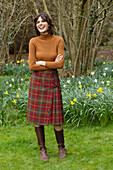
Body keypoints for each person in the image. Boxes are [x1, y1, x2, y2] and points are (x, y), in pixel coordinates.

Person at [26, 13, 66, 161]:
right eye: (38, 22)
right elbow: (31, 66)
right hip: (37, 83)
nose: (40, 24)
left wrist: (42, 63)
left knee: (57, 120)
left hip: (53, 81)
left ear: (49, 23)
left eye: (43, 21)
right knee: (38, 119)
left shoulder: (58, 40)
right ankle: (42, 149)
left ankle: (61, 147)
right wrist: (50, 64)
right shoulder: (33, 42)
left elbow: (60, 64)